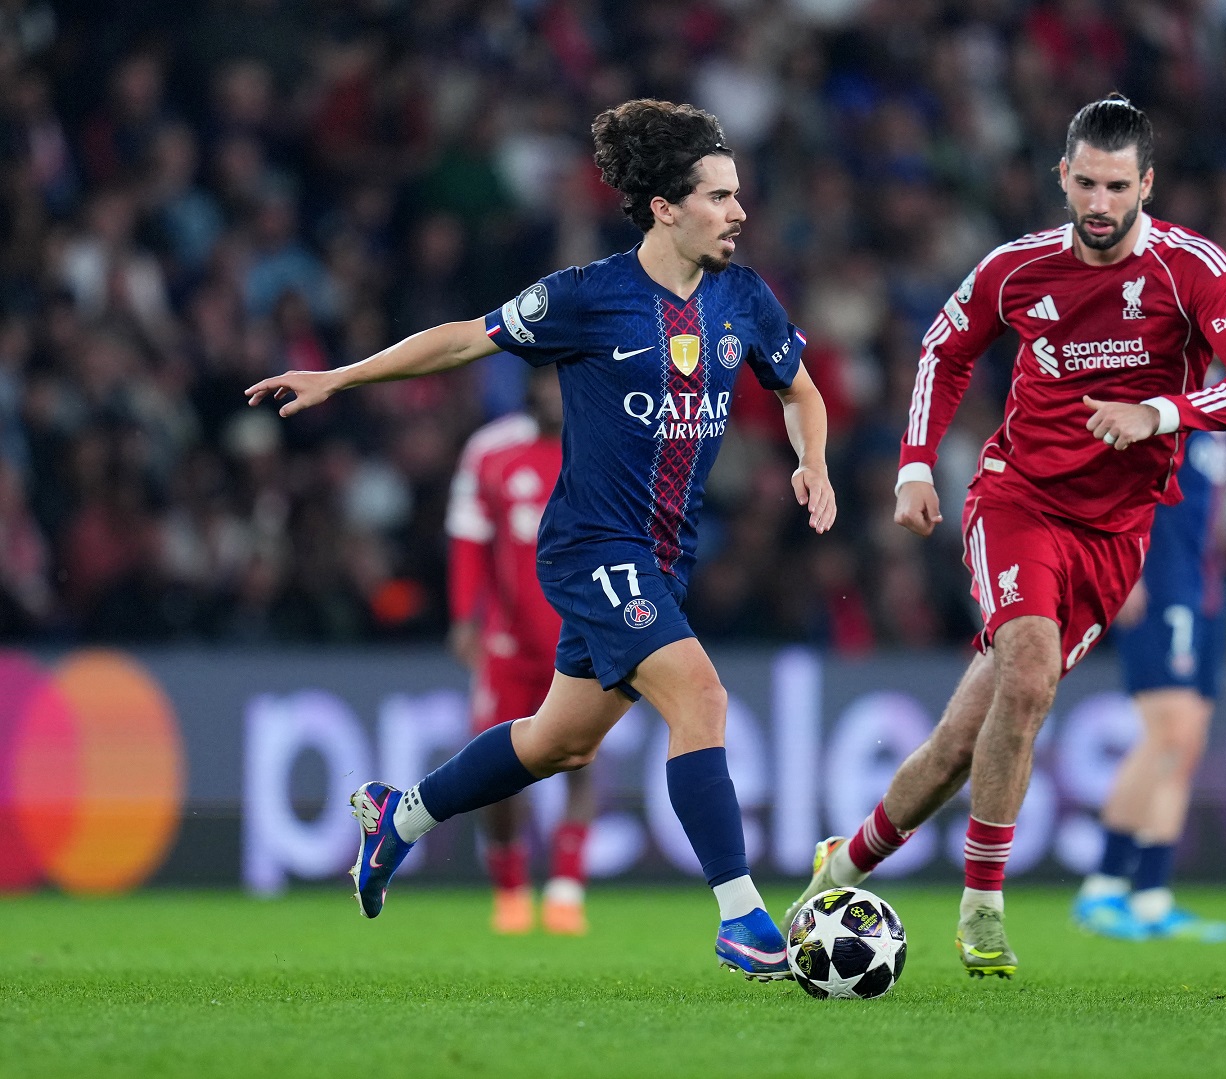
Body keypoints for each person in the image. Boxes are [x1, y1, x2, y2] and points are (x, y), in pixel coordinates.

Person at [246, 99, 835, 981]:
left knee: (561, 742)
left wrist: (814, 463)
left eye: (738, 194)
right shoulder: (588, 297)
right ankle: (742, 918)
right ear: (666, 207)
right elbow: (461, 340)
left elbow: (801, 390)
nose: (738, 211)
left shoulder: (743, 298)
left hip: (665, 560)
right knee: (701, 699)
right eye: (719, 196)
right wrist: (341, 375)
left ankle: (394, 815)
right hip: (591, 548)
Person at [784, 95, 1226, 978]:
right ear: (1063, 175)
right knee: (1028, 669)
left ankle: (841, 864)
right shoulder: (1017, 268)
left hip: (1117, 534)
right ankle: (983, 908)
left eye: (1118, 187)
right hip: (1017, 499)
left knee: (959, 742)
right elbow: (945, 350)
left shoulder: (1189, 269)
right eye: (1086, 183)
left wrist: (1161, 411)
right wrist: (914, 463)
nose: (1100, 204)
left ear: (1147, 184)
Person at [446, 367, 597, 936]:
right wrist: (465, 617)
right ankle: (510, 890)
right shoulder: (489, 451)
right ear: (529, 387)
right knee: (499, 775)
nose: (555, 394)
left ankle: (565, 889)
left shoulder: (595, 440)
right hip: (508, 645)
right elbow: (467, 539)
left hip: (580, 634)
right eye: (545, 383)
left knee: (583, 758)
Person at [1074, 428, 1226, 943]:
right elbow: (1110, 478)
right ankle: (1101, 888)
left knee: (1186, 746)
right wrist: (1121, 569)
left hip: (1203, 588)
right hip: (1159, 582)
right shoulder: (1160, 391)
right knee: (1168, 733)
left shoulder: (1222, 407)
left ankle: (1150, 895)